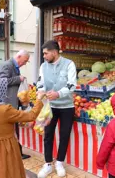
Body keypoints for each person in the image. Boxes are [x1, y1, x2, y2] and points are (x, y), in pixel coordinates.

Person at [0, 78, 45, 178]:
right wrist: (39, 99)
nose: (6, 92)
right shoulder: (4, 110)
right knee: (9, 172)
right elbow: (31, 116)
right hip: (6, 149)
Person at [37, 40, 77, 178]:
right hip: (50, 107)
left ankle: (59, 162)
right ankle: (47, 163)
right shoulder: (43, 66)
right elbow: (40, 82)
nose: (44, 56)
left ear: (54, 52)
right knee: (48, 135)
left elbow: (72, 85)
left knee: (64, 135)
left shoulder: (69, 64)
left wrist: (58, 94)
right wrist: (40, 91)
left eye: (46, 53)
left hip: (67, 106)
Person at [0, 49, 31, 159]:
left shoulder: (15, 67)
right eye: (25, 61)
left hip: (14, 103)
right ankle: (14, 153)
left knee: (14, 130)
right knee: (10, 130)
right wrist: (18, 78)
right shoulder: (7, 65)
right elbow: (2, 81)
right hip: (8, 103)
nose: (25, 63)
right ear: (19, 56)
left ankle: (17, 152)